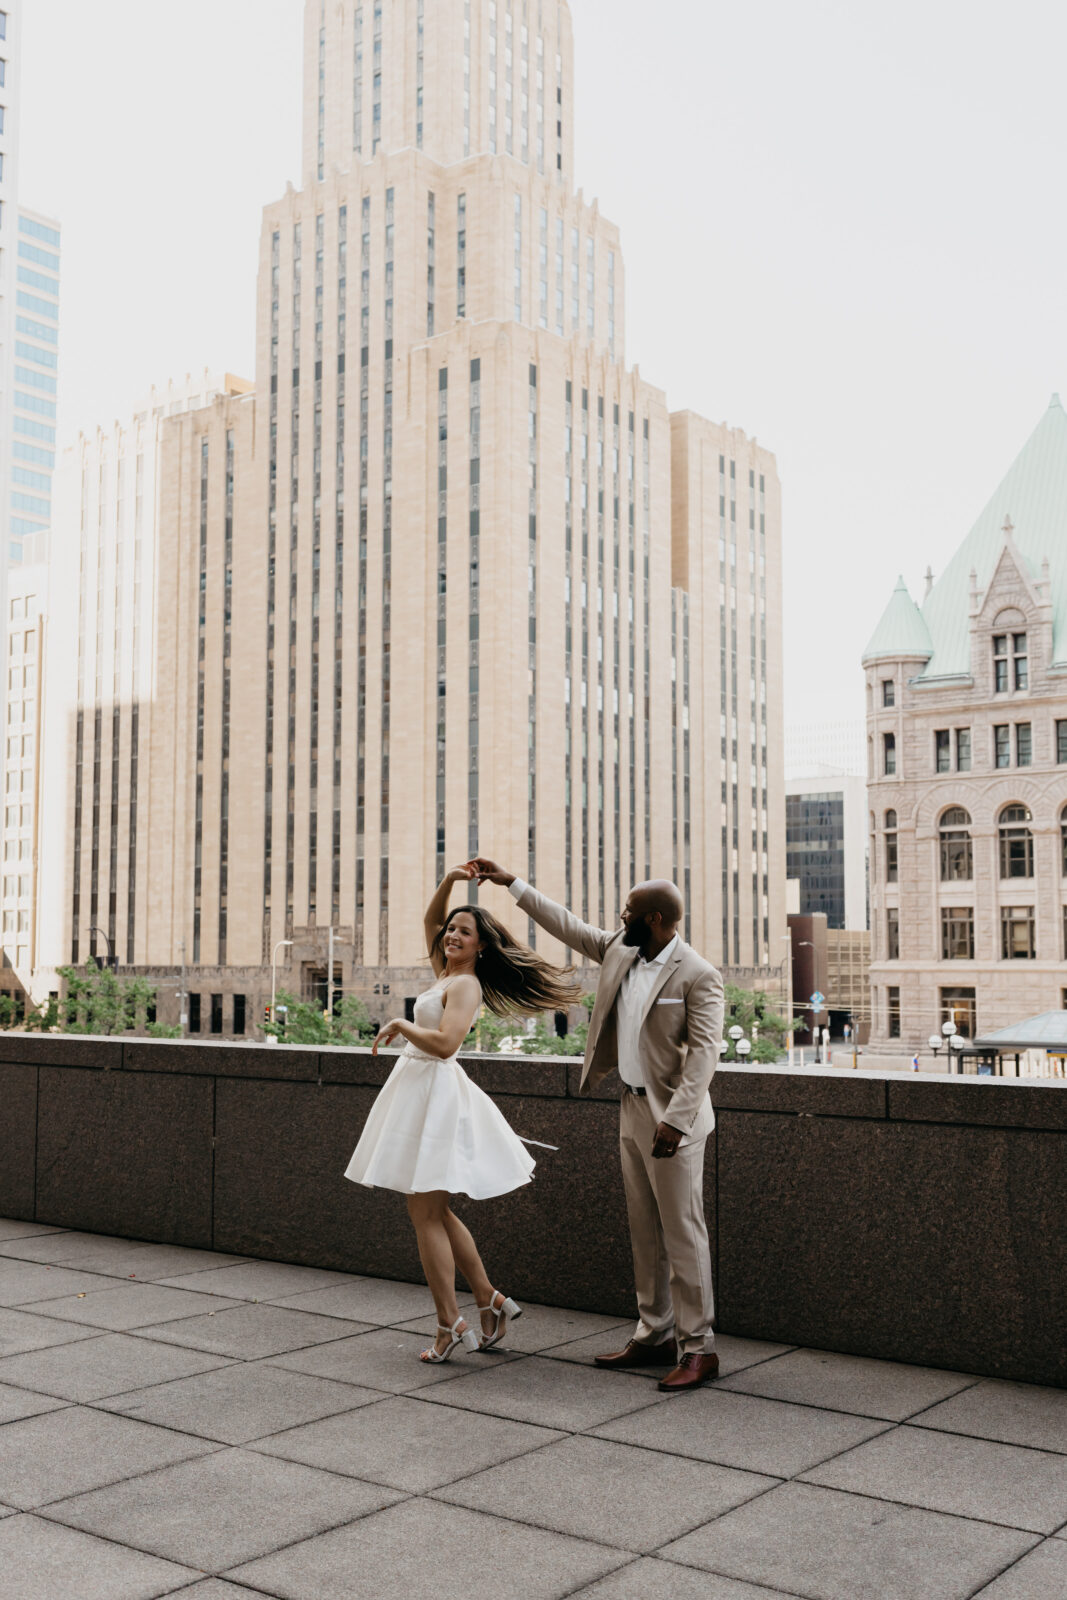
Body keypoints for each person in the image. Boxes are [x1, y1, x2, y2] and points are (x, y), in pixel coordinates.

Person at [471, 858, 724, 1394]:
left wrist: (675, 1122)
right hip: (630, 1110)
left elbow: (704, 1056)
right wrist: (510, 883)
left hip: (672, 1120)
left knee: (683, 1234)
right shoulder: (622, 950)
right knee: (643, 1232)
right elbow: (566, 923)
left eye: (630, 910)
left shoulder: (698, 974)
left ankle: (699, 1349)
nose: (620, 916)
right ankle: (654, 1333)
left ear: (655, 919)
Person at [344, 864, 581, 1362]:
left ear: (481, 946)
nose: (451, 934)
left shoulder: (466, 985)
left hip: (435, 1094)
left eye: (463, 931)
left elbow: (448, 1044)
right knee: (434, 1209)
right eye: (452, 929)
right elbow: (430, 918)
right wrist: (451, 881)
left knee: (424, 1211)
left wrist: (400, 1025)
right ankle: (487, 1298)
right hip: (420, 1092)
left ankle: (449, 1323)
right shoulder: (445, 971)